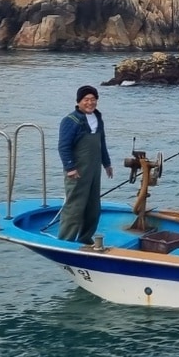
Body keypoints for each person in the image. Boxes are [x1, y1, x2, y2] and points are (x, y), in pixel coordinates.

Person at [57, 85, 114, 245]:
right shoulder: (70, 121)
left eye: (93, 99)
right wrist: (70, 168)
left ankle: (85, 237)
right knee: (75, 207)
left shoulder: (98, 118)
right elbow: (64, 146)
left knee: (93, 207)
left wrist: (107, 163)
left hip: (94, 171)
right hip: (77, 171)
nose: (90, 103)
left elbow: (101, 143)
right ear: (79, 102)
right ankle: (65, 240)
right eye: (86, 100)